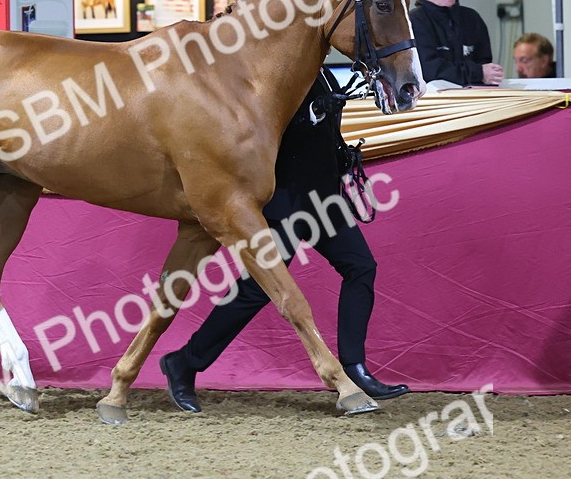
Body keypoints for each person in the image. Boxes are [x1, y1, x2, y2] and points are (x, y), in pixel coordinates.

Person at [160, 69, 410, 413]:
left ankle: (354, 368)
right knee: (255, 290)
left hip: (324, 200)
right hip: (287, 202)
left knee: (361, 267)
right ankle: (184, 362)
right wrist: (309, 117)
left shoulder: (323, 74)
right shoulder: (271, 73)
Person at [409, 0, 503, 86]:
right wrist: (477, 73)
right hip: (432, 93)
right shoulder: (415, 20)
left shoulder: (471, 18)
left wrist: (488, 73)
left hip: (474, 92)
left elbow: (484, 60)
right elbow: (428, 68)